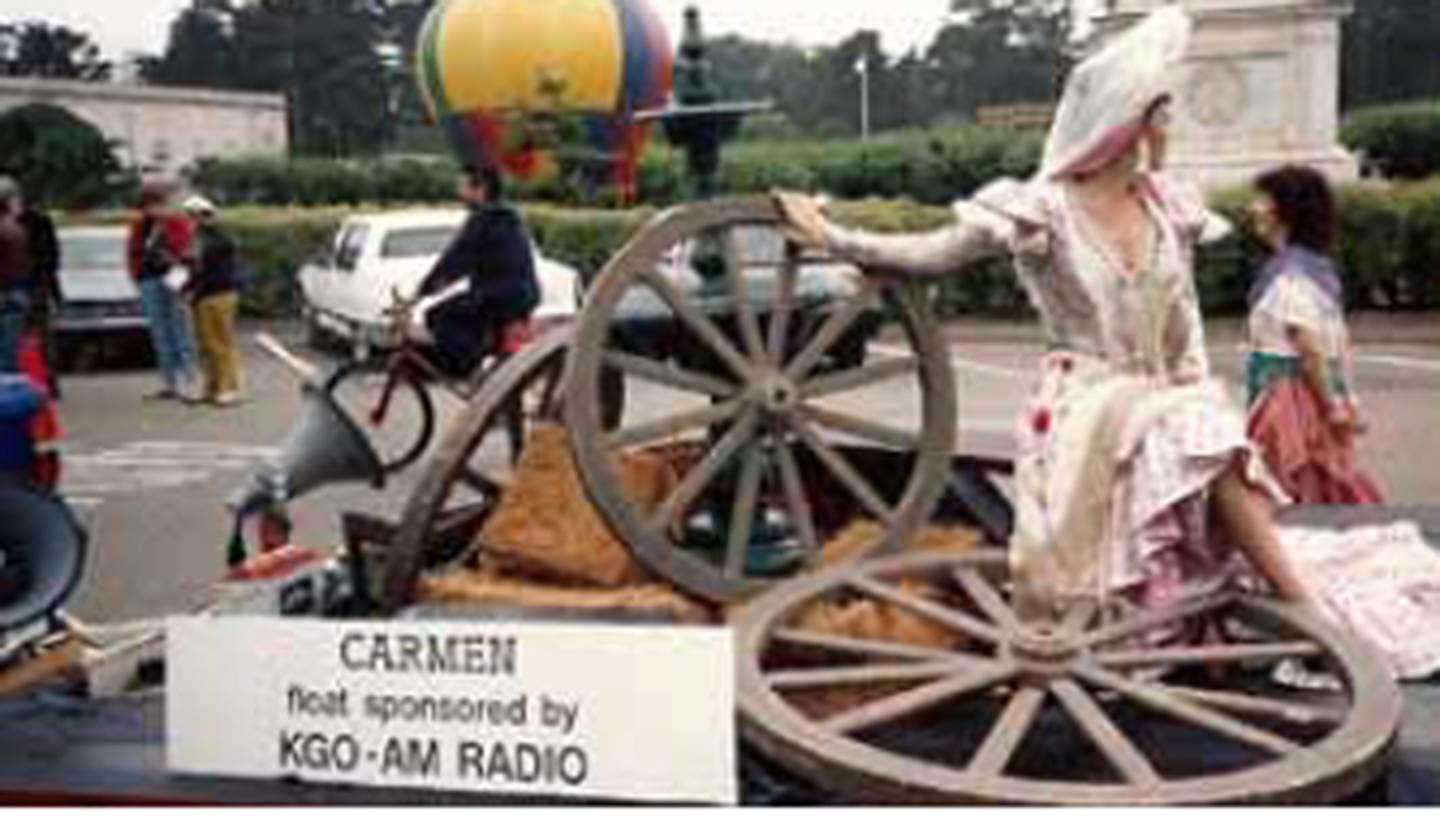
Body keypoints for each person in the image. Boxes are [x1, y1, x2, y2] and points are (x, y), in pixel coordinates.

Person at [777, 6, 1321, 622]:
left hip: (1165, 397)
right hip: (1082, 402)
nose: (1170, 132)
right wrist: (835, 237)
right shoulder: (1043, 210)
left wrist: (1191, 390)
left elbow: (1183, 323)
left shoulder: (1169, 207)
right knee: (1193, 430)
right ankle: (1300, 608)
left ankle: (1245, 592)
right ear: (1129, 126)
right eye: (1163, 117)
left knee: (1200, 428)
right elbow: (932, 252)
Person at [1245, 165, 1384, 504]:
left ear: (1286, 211)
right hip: (1298, 396)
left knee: (1291, 490)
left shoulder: (1289, 277)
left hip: (1289, 401)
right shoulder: (1313, 270)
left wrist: (1333, 406)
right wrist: (1343, 401)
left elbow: (1309, 348)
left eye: (1263, 200)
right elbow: (1335, 344)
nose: (1253, 208)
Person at [412, 164, 540, 377]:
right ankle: (486, 374)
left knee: (436, 316)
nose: (459, 193)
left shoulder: (484, 219)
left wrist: (421, 291)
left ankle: (469, 368)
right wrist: (433, 286)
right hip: (519, 294)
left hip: (501, 296)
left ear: (481, 189)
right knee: (467, 320)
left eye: (463, 187)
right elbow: (462, 265)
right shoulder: (507, 215)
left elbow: (453, 262)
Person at [128, 181, 200, 401]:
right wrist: (137, 276)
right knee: (160, 334)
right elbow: (133, 252)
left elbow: (188, 253)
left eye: (157, 204)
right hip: (149, 280)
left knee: (181, 331)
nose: (153, 210)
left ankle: (191, 382)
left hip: (173, 279)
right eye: (148, 206)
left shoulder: (177, 223)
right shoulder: (141, 225)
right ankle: (170, 383)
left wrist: (183, 283)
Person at [181, 195, 245, 407]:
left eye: (192, 215)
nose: (189, 220)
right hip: (203, 296)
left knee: (221, 344)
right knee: (206, 345)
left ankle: (230, 389)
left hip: (220, 294)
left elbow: (203, 267)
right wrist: (185, 288)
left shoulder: (219, 238)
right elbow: (192, 268)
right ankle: (211, 387)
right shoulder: (198, 238)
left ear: (203, 215)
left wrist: (189, 284)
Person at [12, 183, 61, 398]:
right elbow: (53, 257)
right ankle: (45, 382)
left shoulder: (28, 223)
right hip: (36, 285)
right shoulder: (42, 220)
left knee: (27, 337)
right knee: (40, 338)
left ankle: (38, 382)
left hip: (27, 286)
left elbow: (50, 257)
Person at [0, 177, 31, 374]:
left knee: (9, 351)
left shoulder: (12, 227)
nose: (19, 203)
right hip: (10, 292)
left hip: (13, 291)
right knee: (9, 353)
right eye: (16, 198)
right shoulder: (8, 228)